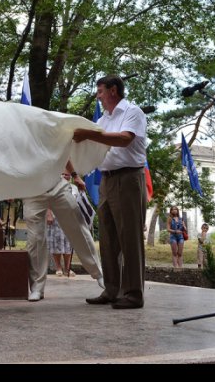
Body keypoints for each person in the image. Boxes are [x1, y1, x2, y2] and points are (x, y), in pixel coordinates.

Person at [72, 74, 148, 309]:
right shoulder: (103, 119)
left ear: (113, 90)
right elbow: (94, 144)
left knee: (129, 238)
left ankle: (134, 293)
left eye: (101, 91)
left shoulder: (132, 112)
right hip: (106, 180)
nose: (99, 96)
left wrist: (90, 134)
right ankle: (112, 290)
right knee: (107, 238)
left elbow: (125, 139)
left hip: (128, 179)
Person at [22, 161, 104, 302]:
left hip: (56, 184)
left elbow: (63, 153)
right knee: (35, 239)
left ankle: (99, 273)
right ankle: (37, 287)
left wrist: (75, 175)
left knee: (78, 226)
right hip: (32, 189)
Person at [47, 207, 75, 277]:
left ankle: (67, 268)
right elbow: (47, 198)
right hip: (55, 212)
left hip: (69, 213)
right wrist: (49, 213)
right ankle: (58, 267)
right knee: (56, 239)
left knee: (69, 240)